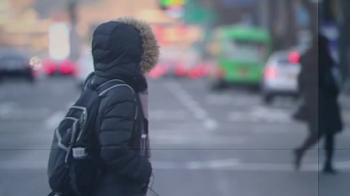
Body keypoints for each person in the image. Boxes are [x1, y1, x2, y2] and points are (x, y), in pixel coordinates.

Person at [89, 17, 159, 195]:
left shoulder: (95, 83)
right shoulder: (122, 93)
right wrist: (143, 169)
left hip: (96, 184)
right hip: (114, 187)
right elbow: (114, 150)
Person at [293, 34, 343, 174]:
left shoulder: (307, 58)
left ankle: (301, 151)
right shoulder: (326, 60)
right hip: (327, 100)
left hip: (312, 101)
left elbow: (301, 80)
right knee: (329, 133)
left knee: (317, 132)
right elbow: (333, 80)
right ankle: (327, 163)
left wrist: (303, 96)